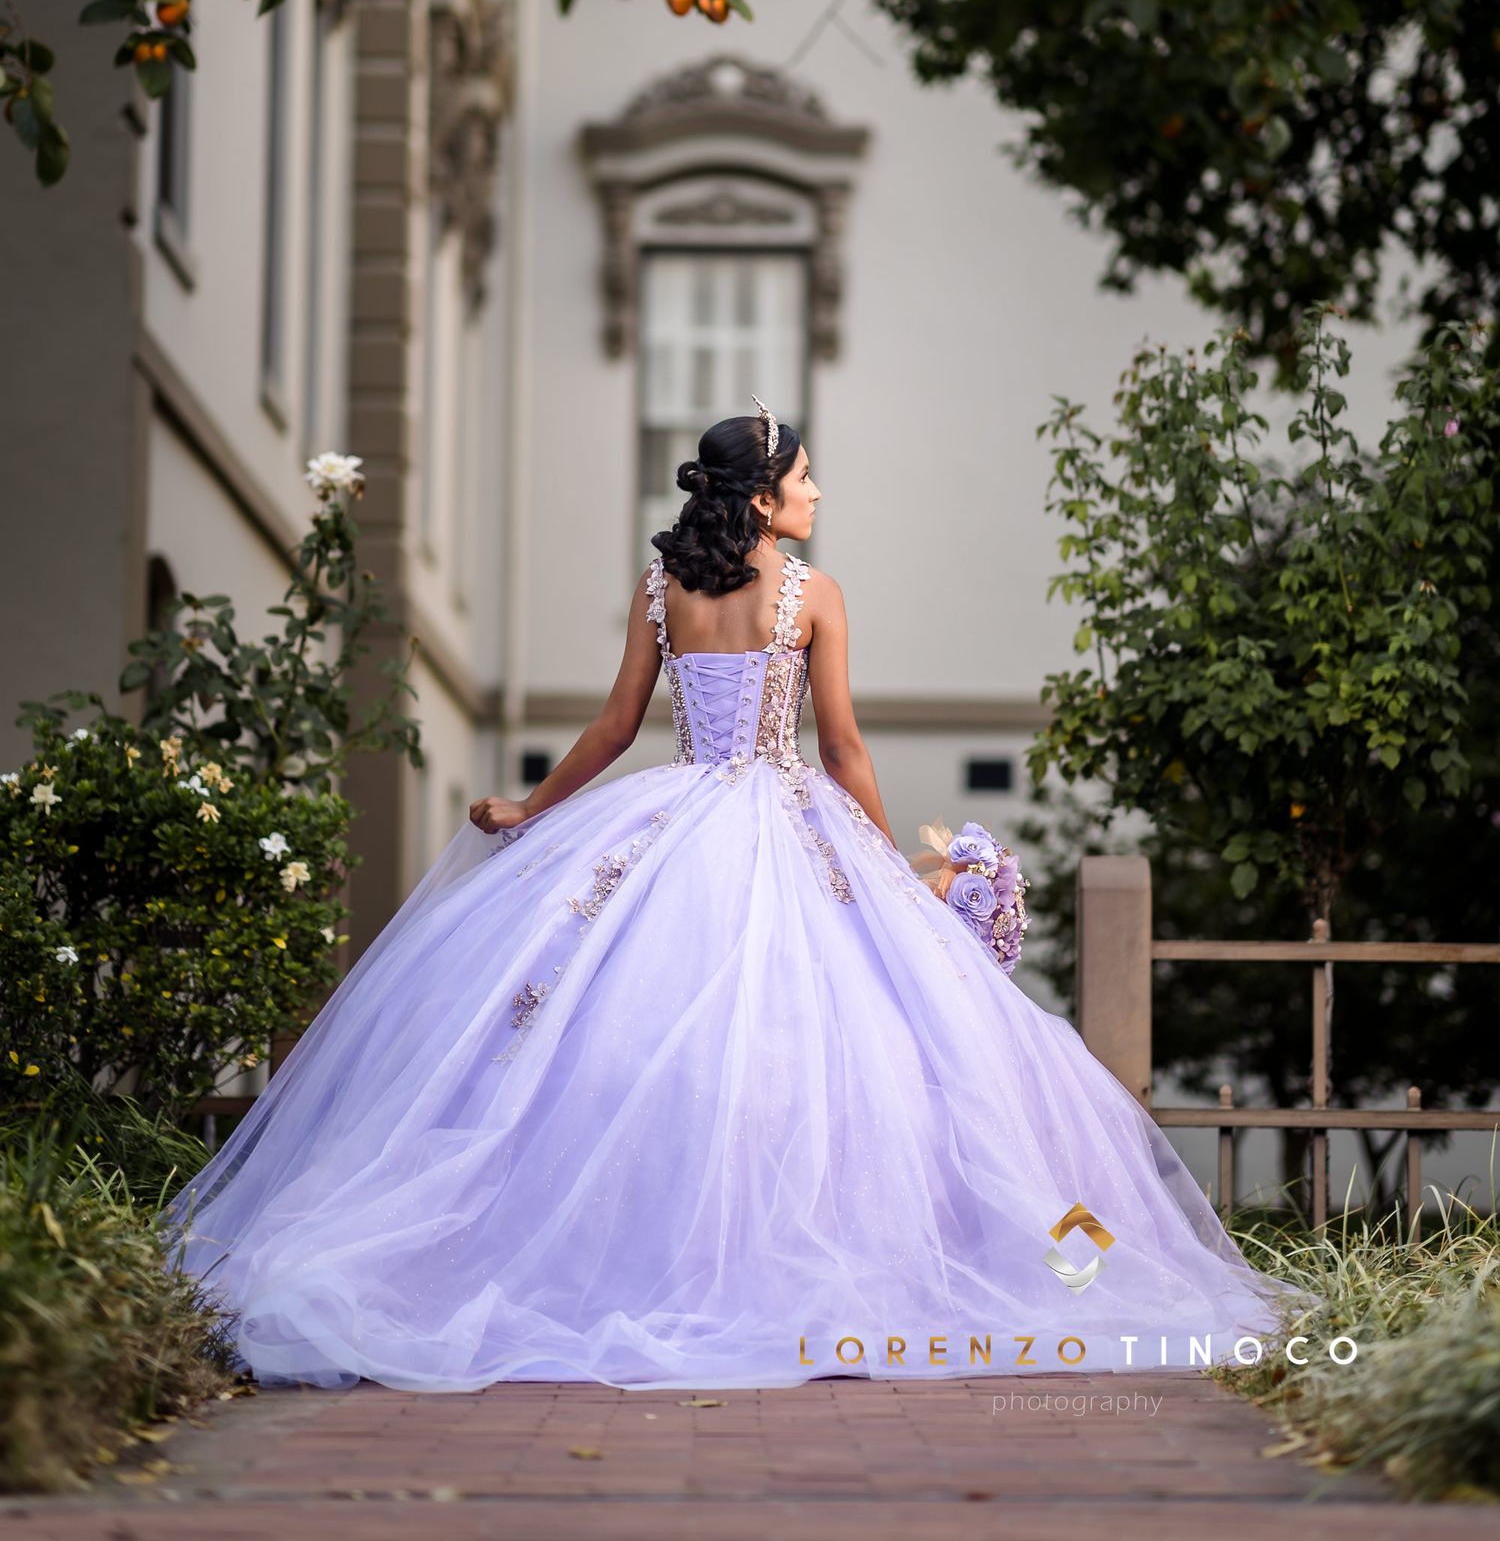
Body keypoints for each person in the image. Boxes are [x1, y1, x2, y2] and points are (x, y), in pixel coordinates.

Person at [164, 401, 1299, 1392]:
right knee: (814, 1048)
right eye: (803, 477)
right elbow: (844, 748)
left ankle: (635, 1249)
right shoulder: (814, 595)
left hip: (669, 822)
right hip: (783, 820)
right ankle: (942, 1256)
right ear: (762, 498)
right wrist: (891, 866)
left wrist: (536, 810)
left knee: (626, 1035)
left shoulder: (663, 589)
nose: (817, 492)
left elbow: (614, 729)